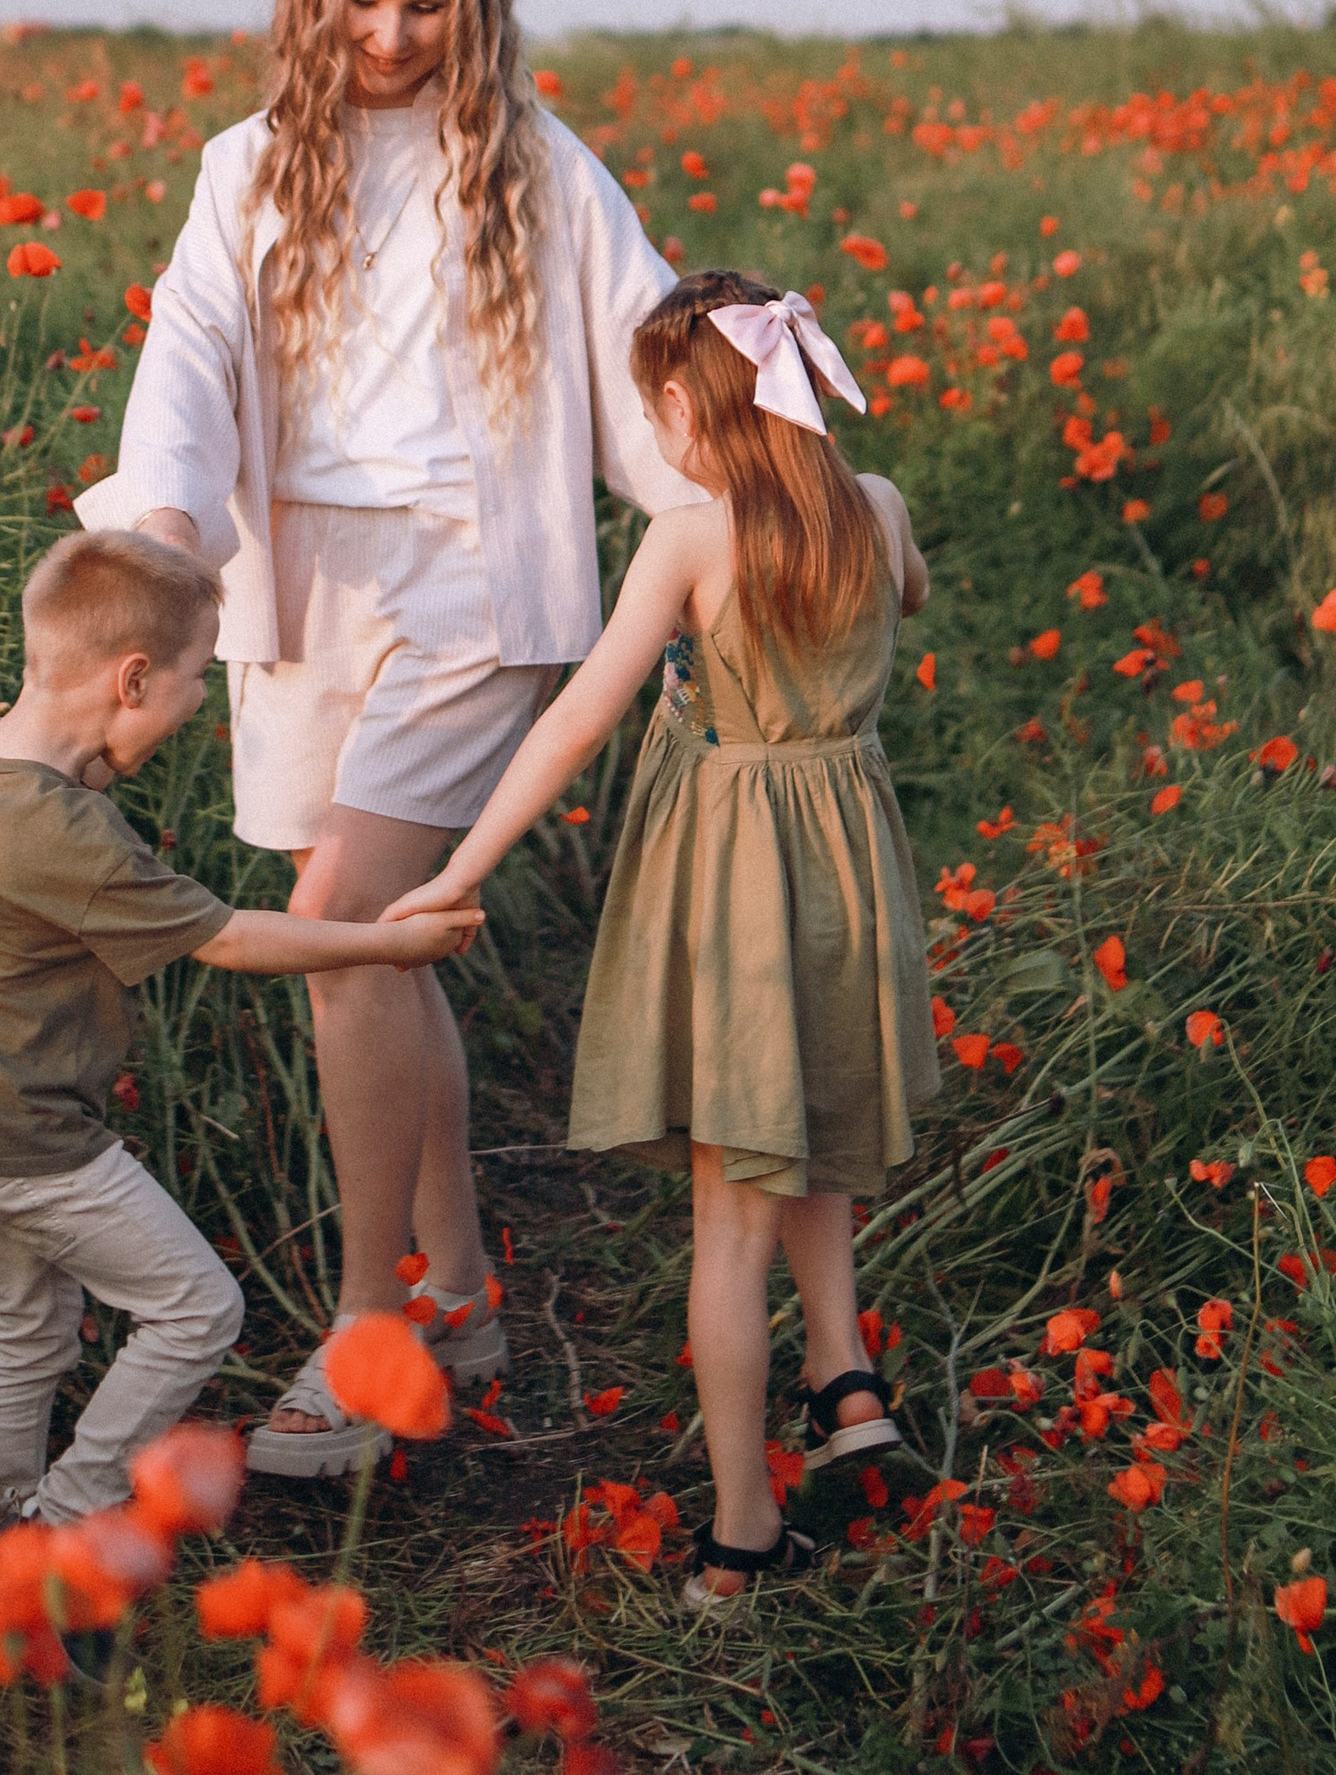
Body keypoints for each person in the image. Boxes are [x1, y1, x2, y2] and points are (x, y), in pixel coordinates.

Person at [74, 0, 697, 1473]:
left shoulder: (540, 165)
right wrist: (162, 532)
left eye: (427, 7)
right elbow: (192, 355)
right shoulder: (249, 165)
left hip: (475, 594)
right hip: (302, 590)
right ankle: (466, 1301)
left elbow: (650, 360)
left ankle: (365, 1342)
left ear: (471, 1)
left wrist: (764, 489)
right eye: (366, 1)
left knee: (337, 926)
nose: (395, 36)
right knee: (380, 952)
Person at [381, 268, 937, 1607]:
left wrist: (453, 870)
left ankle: (740, 1537)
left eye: (654, 410)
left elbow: (575, 723)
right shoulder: (876, 508)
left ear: (687, 403)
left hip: (740, 869)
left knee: (729, 1216)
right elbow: (905, 598)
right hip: (850, 855)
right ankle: (847, 1383)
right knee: (807, 1115)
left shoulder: (692, 540)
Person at [0, 526, 480, 1536]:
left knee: (26, 1327)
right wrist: (389, 945)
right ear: (132, 680)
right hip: (28, 1141)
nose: (202, 696)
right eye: (198, 674)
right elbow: (233, 939)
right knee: (200, 1310)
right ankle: (66, 1523)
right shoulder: (69, 838)